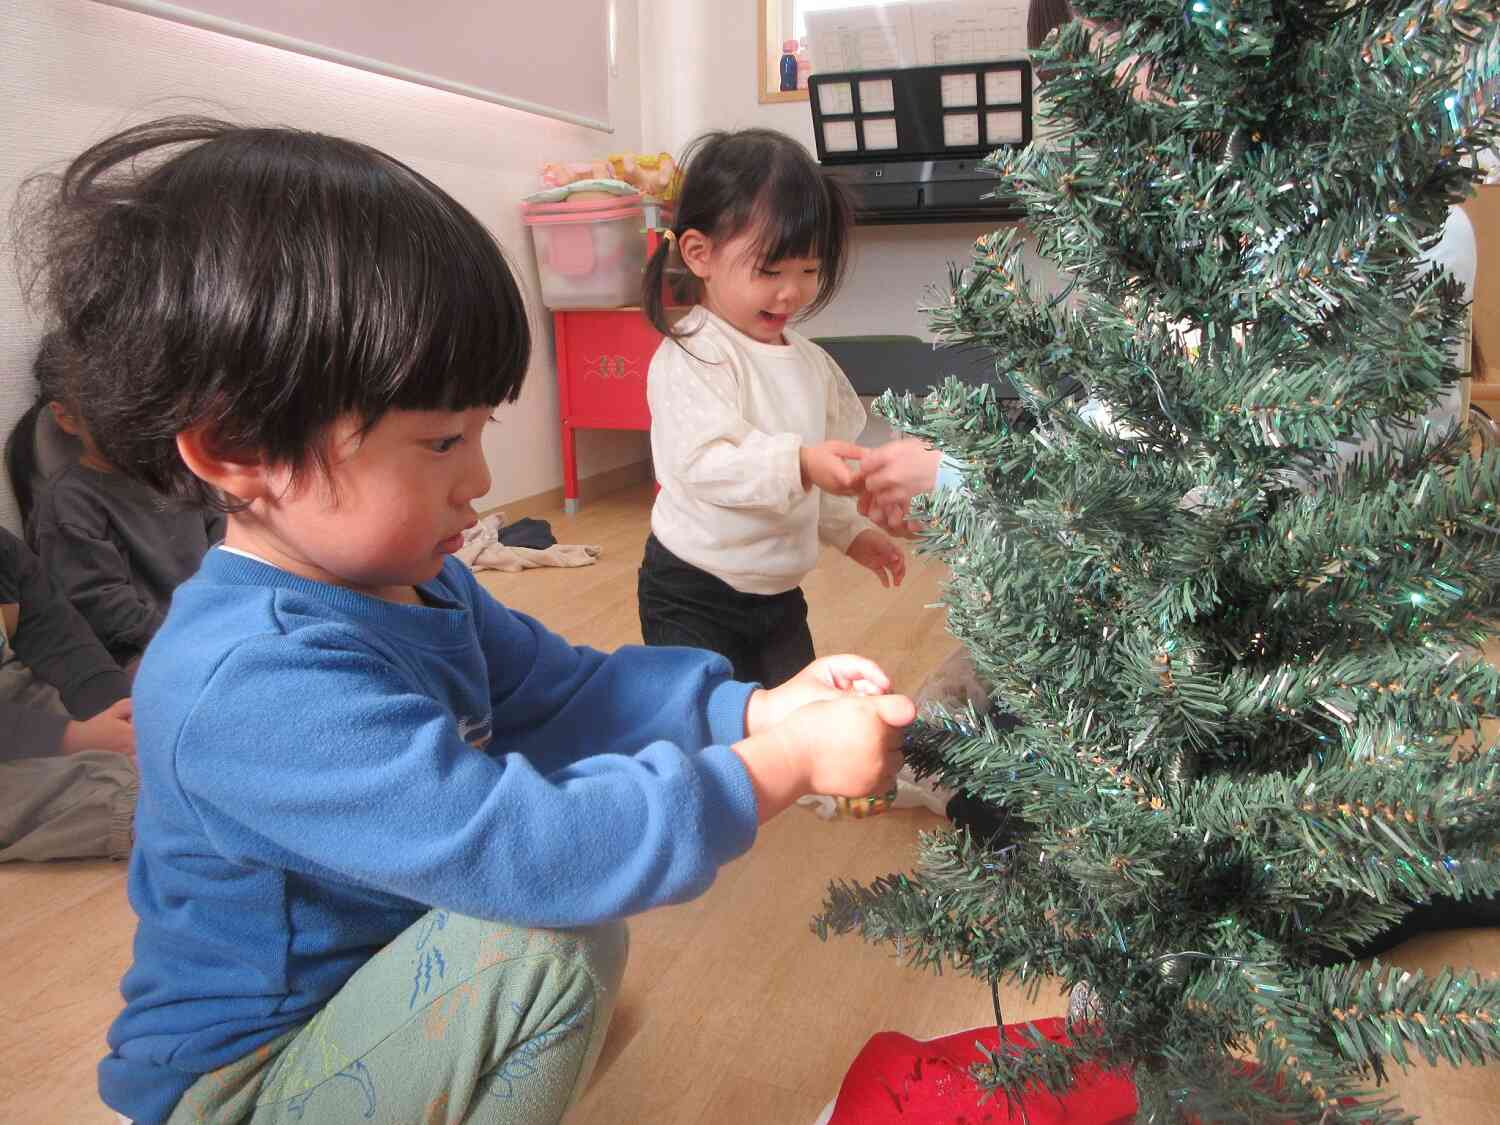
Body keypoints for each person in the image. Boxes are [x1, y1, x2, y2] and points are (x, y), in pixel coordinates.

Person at [17, 116, 915, 1125]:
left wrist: (752, 712)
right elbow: (526, 851)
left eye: (478, 432)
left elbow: (566, 693)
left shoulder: (416, 580)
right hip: (243, 1086)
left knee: (556, 952)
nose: (480, 482)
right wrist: (779, 769)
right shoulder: (249, 680)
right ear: (236, 451)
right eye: (441, 442)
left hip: (366, 992)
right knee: (545, 941)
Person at [637, 128, 906, 688]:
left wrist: (852, 532)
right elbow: (704, 464)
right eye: (770, 272)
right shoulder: (693, 353)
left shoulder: (810, 364)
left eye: (808, 271)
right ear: (699, 254)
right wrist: (801, 463)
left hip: (779, 594)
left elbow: (824, 476)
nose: (792, 293)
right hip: (693, 586)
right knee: (709, 724)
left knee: (789, 712)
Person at [6, 332, 226, 668]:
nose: (133, 422)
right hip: (145, 653)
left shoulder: (183, 472)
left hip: (216, 626)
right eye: (110, 411)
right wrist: (194, 639)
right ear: (66, 418)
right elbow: (106, 611)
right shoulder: (70, 502)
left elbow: (227, 548)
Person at [0, 525, 136, 862]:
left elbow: (65, 645)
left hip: (17, 701)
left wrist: (123, 719)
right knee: (103, 792)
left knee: (170, 754)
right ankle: (153, 817)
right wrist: (71, 737)